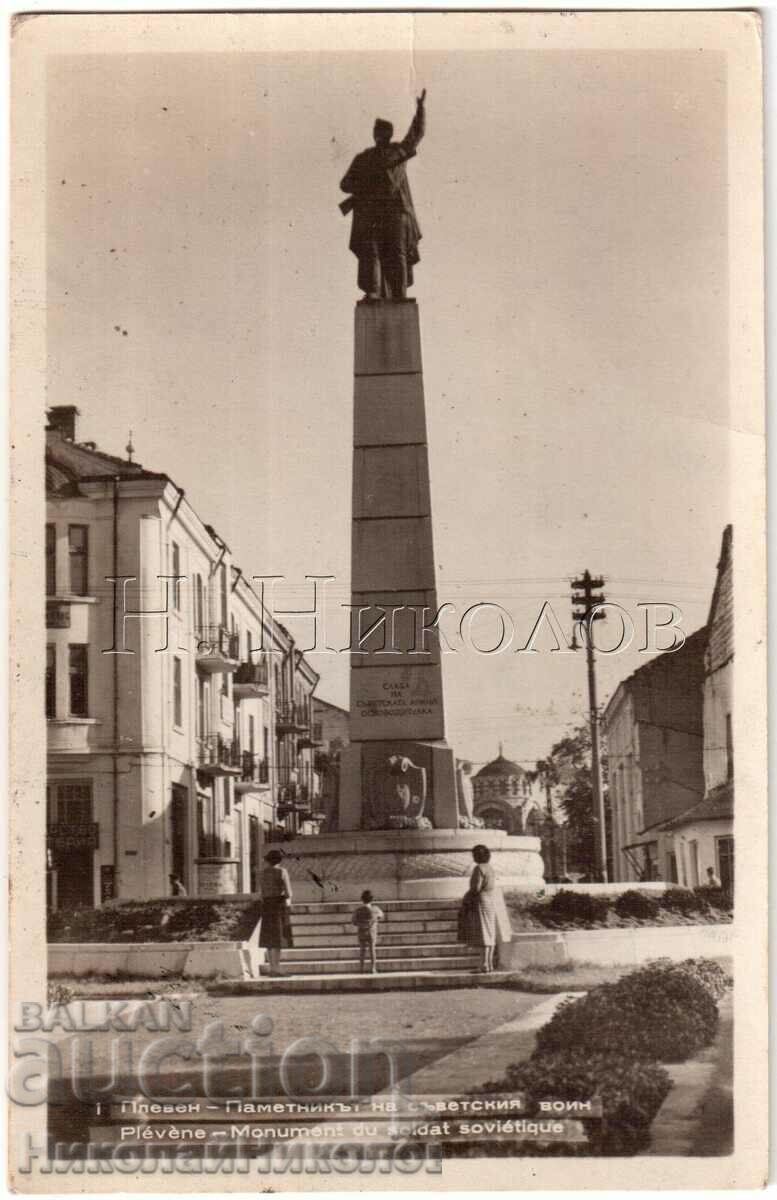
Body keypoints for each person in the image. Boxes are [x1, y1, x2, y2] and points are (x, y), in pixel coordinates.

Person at [339, 90, 426, 301]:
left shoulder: (398, 152)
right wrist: (366, 184)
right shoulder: (363, 158)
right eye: (378, 131)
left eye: (382, 131)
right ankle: (374, 291)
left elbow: (415, 135)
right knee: (373, 252)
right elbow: (345, 184)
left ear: (387, 134)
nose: (379, 135)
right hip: (372, 212)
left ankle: (399, 294)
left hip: (396, 212)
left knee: (397, 253)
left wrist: (420, 111)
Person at [459, 844, 500, 973]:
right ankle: (489, 964)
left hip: (481, 900)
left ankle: (484, 964)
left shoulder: (479, 868)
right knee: (490, 933)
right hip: (490, 899)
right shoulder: (490, 868)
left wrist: (467, 897)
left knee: (483, 934)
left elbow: (476, 888)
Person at [259, 849, 294, 976]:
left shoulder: (262, 873)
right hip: (278, 904)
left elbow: (262, 893)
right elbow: (289, 893)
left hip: (267, 905)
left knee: (269, 937)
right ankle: (277, 968)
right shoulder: (282, 871)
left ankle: (272, 967)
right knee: (278, 937)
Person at [351, 889, 385, 974]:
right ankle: (373, 968)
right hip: (372, 931)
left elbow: (354, 921)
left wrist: (361, 924)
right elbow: (381, 916)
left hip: (362, 931)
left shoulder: (358, 910)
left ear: (362, 899)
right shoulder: (376, 909)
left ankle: (361, 968)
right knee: (372, 949)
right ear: (372, 899)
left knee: (362, 950)